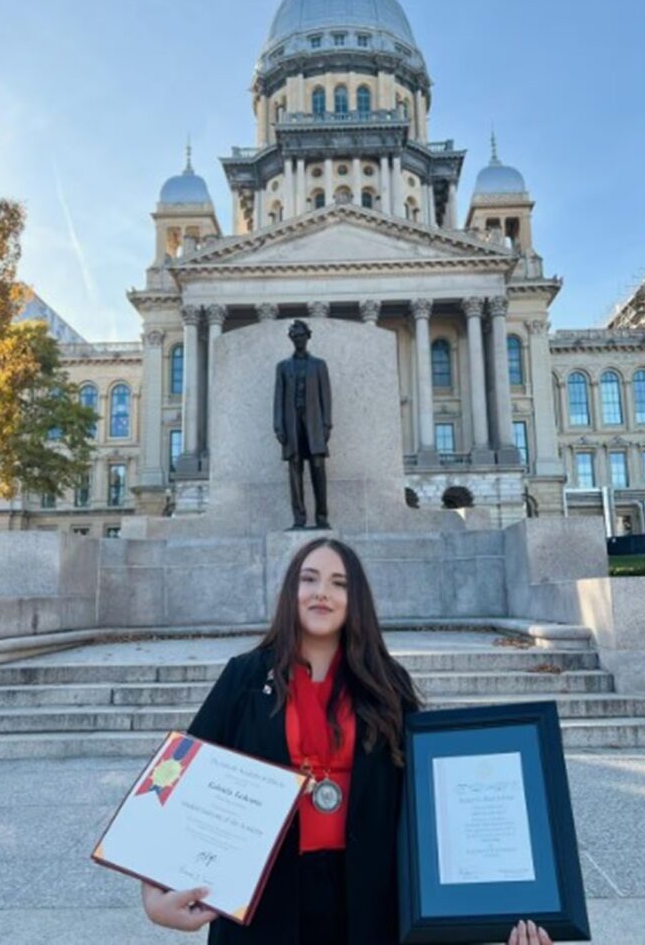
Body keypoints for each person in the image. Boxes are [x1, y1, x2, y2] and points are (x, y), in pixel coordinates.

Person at [141, 538, 553, 945]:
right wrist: (153, 891)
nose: (322, 592)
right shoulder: (244, 676)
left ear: (356, 600)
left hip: (369, 897)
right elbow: (178, 776)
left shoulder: (389, 685)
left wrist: (503, 911)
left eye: (339, 583)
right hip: (264, 899)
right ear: (290, 592)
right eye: (309, 579)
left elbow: (430, 806)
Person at [273, 320, 332, 529]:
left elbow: (326, 397)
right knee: (295, 470)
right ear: (291, 338)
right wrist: (278, 426)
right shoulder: (282, 367)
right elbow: (278, 399)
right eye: (295, 336)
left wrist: (326, 425)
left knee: (318, 469)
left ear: (308, 337)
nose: (299, 339)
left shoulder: (319, 365)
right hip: (292, 425)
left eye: (302, 335)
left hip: (314, 425)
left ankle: (322, 518)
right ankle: (299, 519)